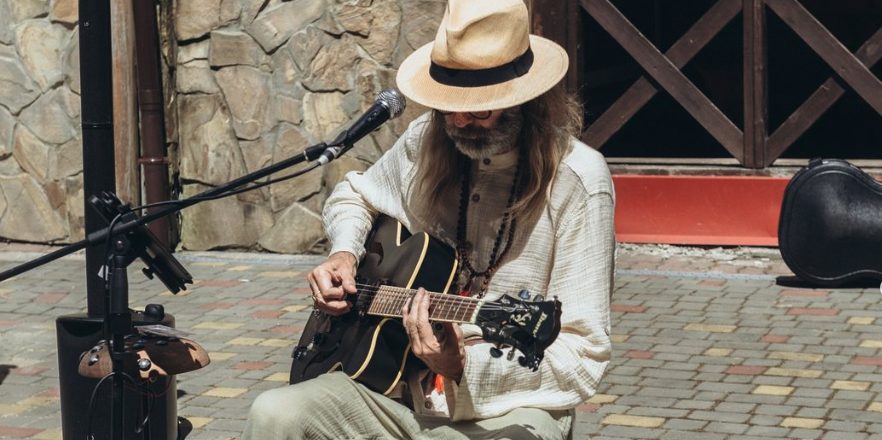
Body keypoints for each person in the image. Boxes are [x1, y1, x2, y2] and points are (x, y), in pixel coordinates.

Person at [242, 0, 614, 438]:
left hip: (510, 406)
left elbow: (582, 355)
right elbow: (354, 195)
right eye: (448, 105)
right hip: (394, 387)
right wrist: (344, 253)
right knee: (274, 414)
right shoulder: (427, 140)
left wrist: (463, 365)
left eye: (479, 109)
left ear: (525, 102)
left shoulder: (578, 180)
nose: (458, 121)